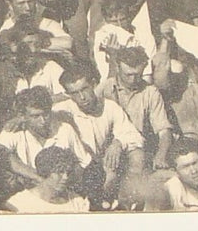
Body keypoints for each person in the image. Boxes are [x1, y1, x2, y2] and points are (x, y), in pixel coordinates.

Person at [60, 63, 145, 207]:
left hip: (103, 166)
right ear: (68, 94)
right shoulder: (62, 111)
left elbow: (133, 135)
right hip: (78, 169)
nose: (82, 97)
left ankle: (131, 197)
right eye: (74, 93)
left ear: (93, 84)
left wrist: (118, 143)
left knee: (137, 153)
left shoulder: (109, 107)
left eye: (84, 89)